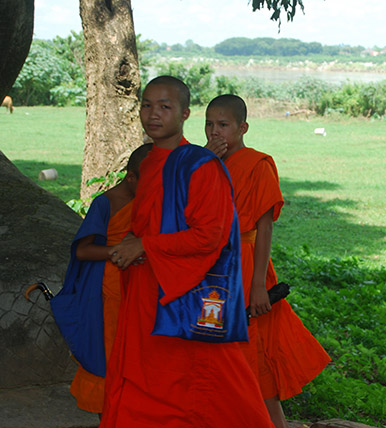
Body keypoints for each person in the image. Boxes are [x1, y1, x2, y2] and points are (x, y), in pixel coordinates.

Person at [100, 77, 274, 427]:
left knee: (211, 385)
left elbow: (211, 236)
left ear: (184, 114)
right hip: (147, 290)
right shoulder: (149, 162)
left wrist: (144, 244)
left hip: (183, 295)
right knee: (143, 381)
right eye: (147, 105)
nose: (153, 114)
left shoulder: (199, 164)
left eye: (165, 106)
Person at [204, 94, 330, 428]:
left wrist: (259, 284)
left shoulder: (257, 164)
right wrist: (202, 164)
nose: (215, 133)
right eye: (209, 125)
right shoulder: (199, 163)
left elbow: (263, 228)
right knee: (211, 349)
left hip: (245, 267)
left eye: (224, 126)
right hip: (209, 269)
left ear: (243, 128)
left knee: (252, 353)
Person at [57, 143, 152, 414]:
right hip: (108, 287)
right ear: (131, 177)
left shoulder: (148, 198)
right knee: (108, 353)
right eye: (148, 182)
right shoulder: (105, 202)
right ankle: (107, 413)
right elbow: (83, 249)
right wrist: (118, 250)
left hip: (137, 284)